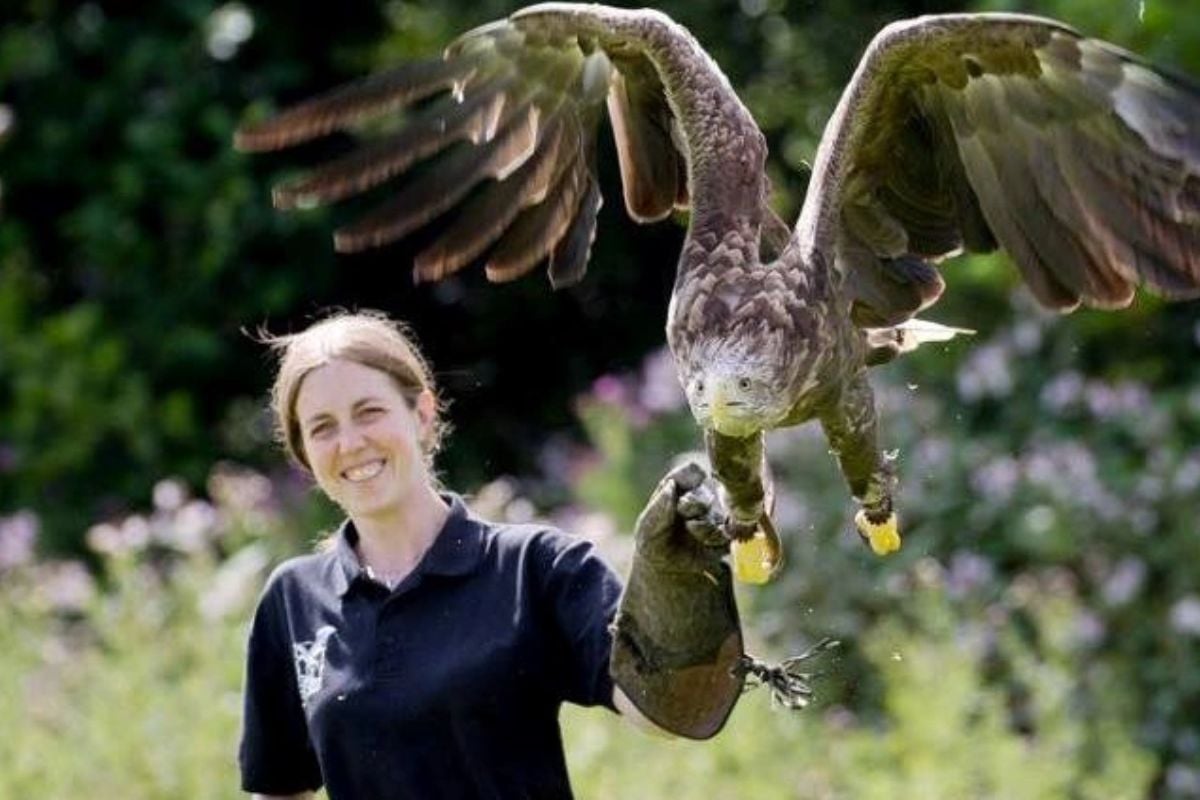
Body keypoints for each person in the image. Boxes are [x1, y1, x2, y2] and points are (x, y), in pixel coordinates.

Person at [238, 310, 750, 800]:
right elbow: (279, 786)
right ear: (304, 451)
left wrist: (677, 586)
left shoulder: (536, 568)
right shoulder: (293, 600)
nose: (350, 442)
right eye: (322, 427)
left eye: (369, 411)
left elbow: (663, 712)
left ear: (422, 413)